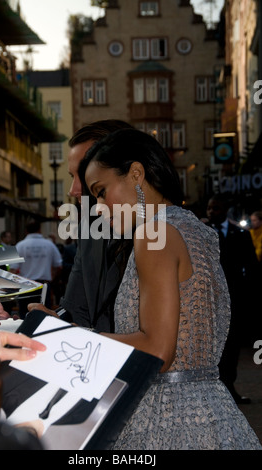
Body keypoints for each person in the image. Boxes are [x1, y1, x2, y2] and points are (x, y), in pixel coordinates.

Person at [77, 127, 261, 450]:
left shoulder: (153, 234)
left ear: (136, 173)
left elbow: (158, 352)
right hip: (214, 412)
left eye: (101, 191)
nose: (97, 207)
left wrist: (82, 341)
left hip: (163, 418)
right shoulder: (195, 229)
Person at [28, 120, 134, 331]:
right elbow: (74, 308)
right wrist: (50, 318)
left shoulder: (160, 231)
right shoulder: (88, 229)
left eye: (84, 175)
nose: (73, 190)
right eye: (71, 176)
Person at [206, 194, 260, 403]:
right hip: (208, 298)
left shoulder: (241, 234)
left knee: (232, 345)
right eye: (210, 208)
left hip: (235, 298)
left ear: (225, 210)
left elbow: (252, 266)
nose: (212, 212)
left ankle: (229, 386)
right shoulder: (201, 233)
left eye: (216, 208)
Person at [11, 219, 62, 316]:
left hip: (25, 285)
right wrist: (53, 278)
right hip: (43, 286)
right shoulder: (49, 245)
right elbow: (58, 265)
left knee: (24, 317)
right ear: (40, 230)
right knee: (44, 316)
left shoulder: (20, 246)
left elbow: (13, 269)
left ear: (26, 231)